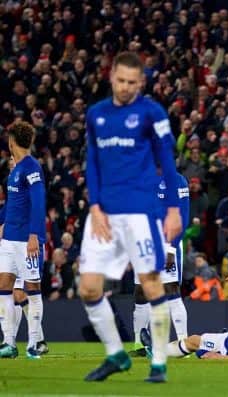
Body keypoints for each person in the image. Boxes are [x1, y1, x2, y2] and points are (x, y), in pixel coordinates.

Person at [79, 52, 182, 383]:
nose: (124, 87)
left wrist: (173, 211)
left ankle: (160, 363)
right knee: (89, 289)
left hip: (141, 212)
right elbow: (92, 162)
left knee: (151, 284)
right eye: (120, 80)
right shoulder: (96, 115)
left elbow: (166, 160)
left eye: (132, 83)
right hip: (103, 214)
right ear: (112, 77)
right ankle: (116, 354)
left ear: (141, 83)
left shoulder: (152, 113)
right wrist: (94, 206)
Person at [0, 122, 46, 359]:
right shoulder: (16, 170)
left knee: (32, 289)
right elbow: (13, 206)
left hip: (25, 240)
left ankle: (33, 344)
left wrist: (34, 236)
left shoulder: (31, 167)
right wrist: (2, 226)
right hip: (9, 239)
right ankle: (9, 342)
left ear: (11, 142)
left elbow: (39, 203)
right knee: (4, 287)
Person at [131, 172, 190, 356]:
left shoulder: (177, 180)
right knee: (140, 292)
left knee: (171, 289)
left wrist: (171, 248)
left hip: (167, 241)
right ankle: (139, 345)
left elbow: (184, 215)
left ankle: (183, 343)